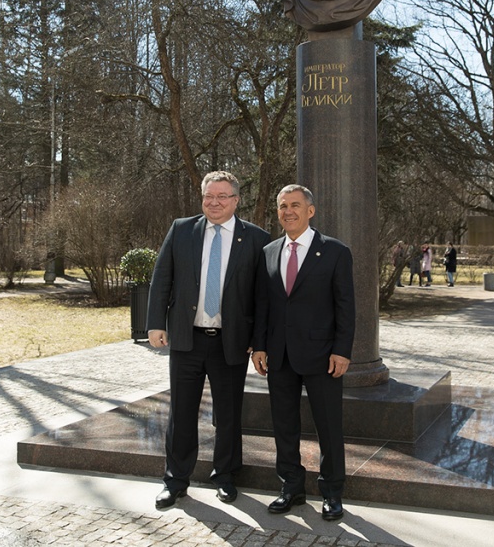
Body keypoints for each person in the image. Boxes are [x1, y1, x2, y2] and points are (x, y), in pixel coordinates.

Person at [147, 171, 271, 509]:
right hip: (187, 339)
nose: (213, 203)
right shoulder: (182, 230)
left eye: (221, 197)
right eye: (208, 197)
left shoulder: (258, 239)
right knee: (181, 413)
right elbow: (162, 279)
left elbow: (264, 298)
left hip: (230, 343)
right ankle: (175, 480)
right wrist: (155, 323)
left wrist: (259, 342)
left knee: (228, 414)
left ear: (235, 200)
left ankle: (226, 476)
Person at [251, 185, 356, 521]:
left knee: (329, 426)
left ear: (311, 210)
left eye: (295, 205)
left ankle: (332, 493)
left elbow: (346, 307)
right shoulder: (268, 252)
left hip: (323, 355)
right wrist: (260, 345)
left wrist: (342, 350)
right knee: (284, 425)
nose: (288, 211)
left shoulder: (336, 252)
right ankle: (291, 488)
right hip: (279, 355)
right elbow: (263, 304)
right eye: (282, 206)